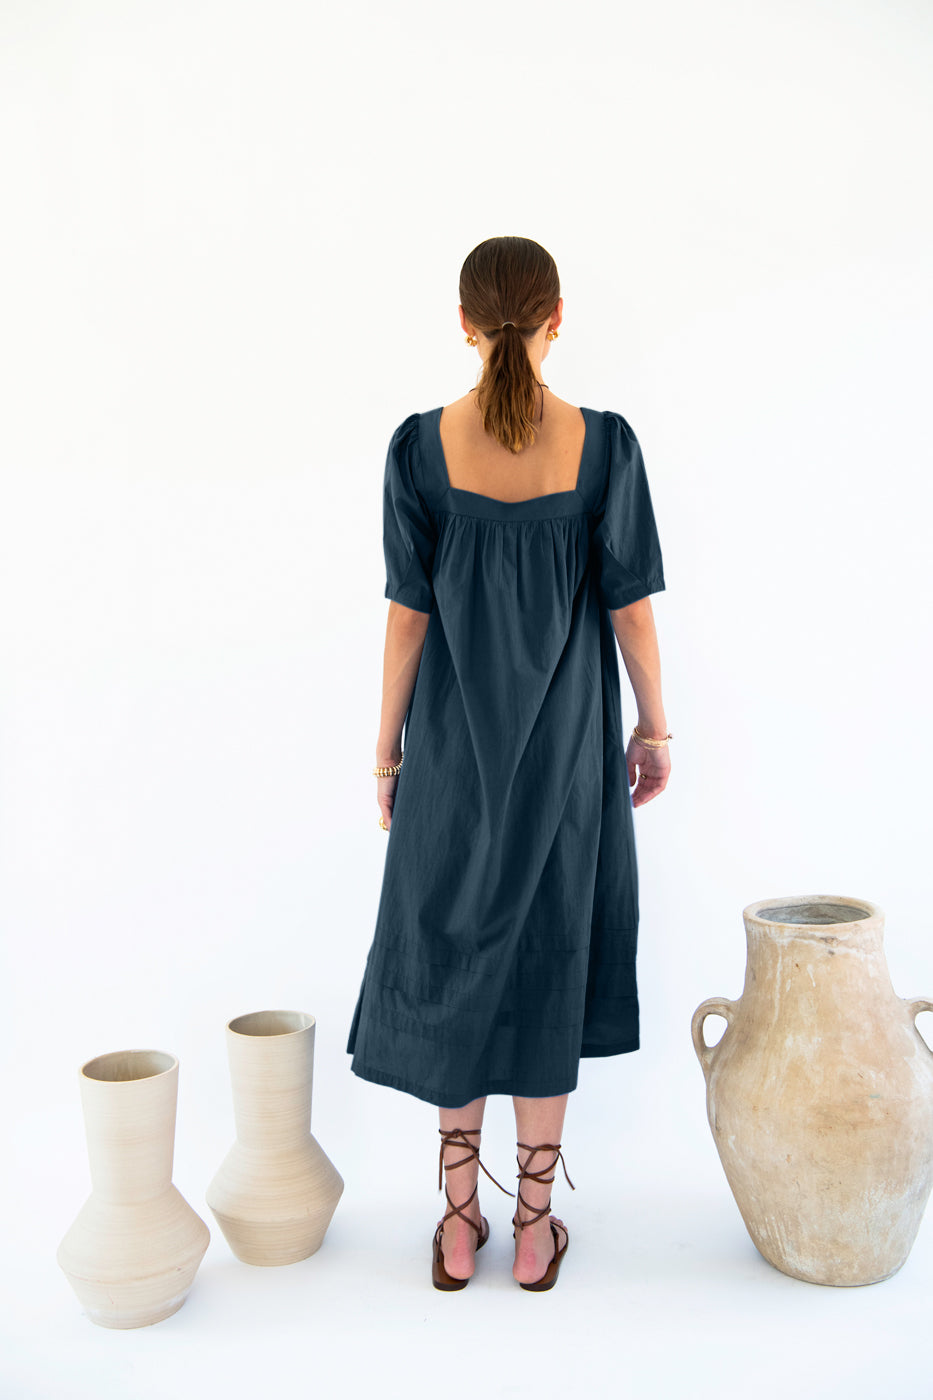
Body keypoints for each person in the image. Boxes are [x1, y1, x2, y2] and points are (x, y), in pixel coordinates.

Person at [347, 235, 670, 1292]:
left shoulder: (418, 448)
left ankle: (456, 1223)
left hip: (451, 761)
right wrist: (653, 728)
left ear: (464, 324)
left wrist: (387, 748)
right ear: (557, 319)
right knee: (545, 963)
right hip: (566, 765)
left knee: (452, 963)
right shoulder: (605, 445)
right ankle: (534, 1229)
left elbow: (407, 618)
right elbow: (630, 610)